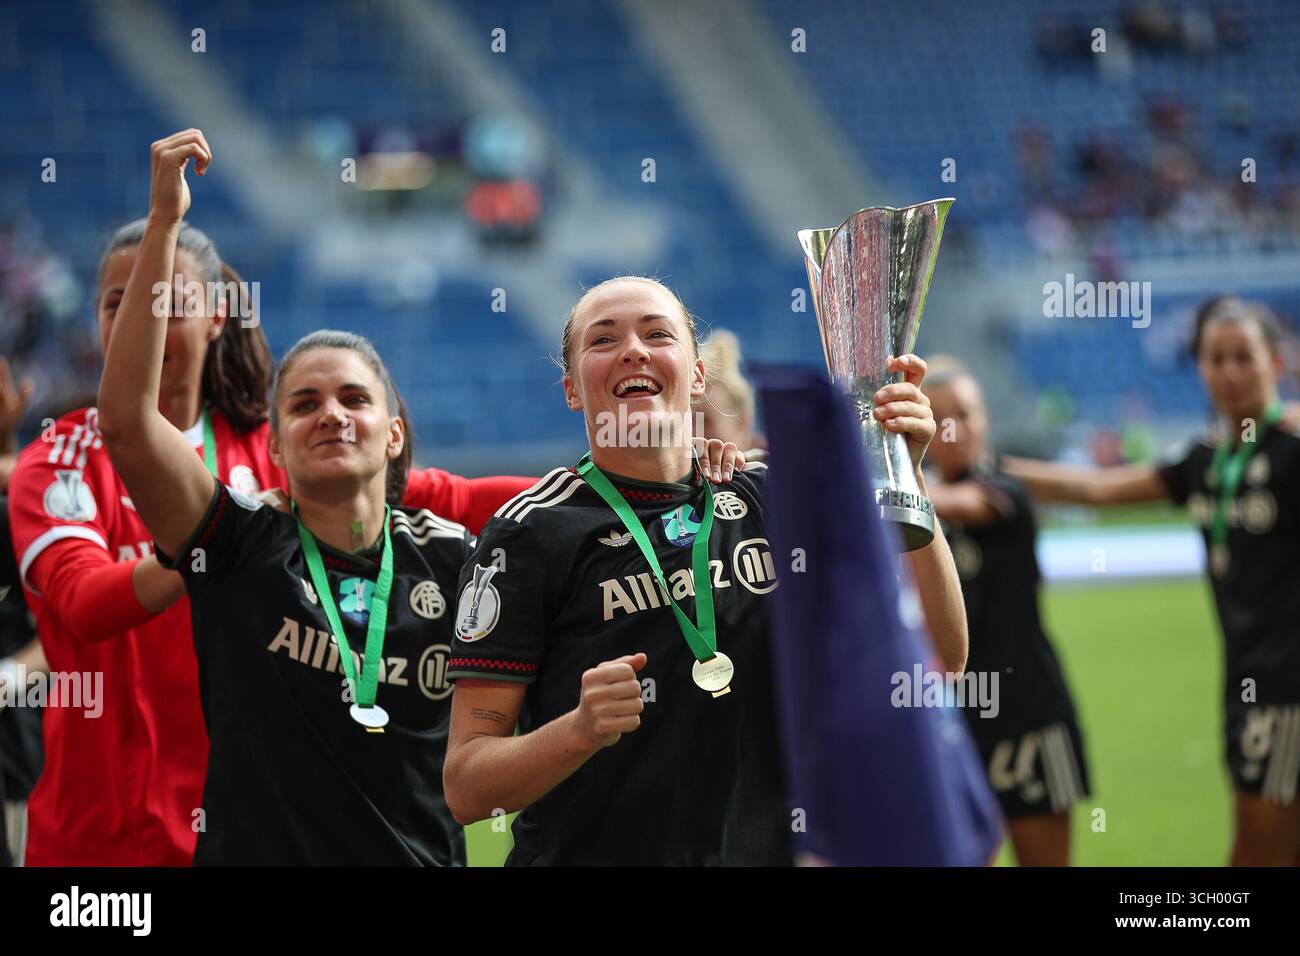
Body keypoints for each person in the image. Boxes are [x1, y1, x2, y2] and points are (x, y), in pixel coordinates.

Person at [442, 275, 968, 864]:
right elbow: (467, 786)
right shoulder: (528, 534)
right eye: (603, 340)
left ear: (696, 377)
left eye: (657, 334)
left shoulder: (779, 498)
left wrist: (907, 478)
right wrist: (578, 731)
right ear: (571, 388)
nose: (634, 350)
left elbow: (937, 663)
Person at [96, 128, 482, 863]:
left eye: (353, 399)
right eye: (303, 404)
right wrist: (163, 224)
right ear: (272, 447)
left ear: (394, 434)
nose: (331, 414)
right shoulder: (236, 545)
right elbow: (127, 425)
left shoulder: (458, 563)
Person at [1003, 296, 1300, 866]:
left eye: (1245, 356)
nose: (1231, 372)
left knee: (1256, 856)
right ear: (1199, 368)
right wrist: (994, 468)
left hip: (1287, 696)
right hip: (1245, 684)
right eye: (1216, 358)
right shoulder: (1207, 462)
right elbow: (1095, 490)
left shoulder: (1292, 452)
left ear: (1277, 363)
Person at [922, 356, 1090, 866]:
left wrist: (882, 482)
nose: (955, 430)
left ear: (986, 419)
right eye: (941, 418)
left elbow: (966, 503)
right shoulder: (913, 516)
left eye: (966, 415)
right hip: (954, 718)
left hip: (1029, 712)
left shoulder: (1005, 489)